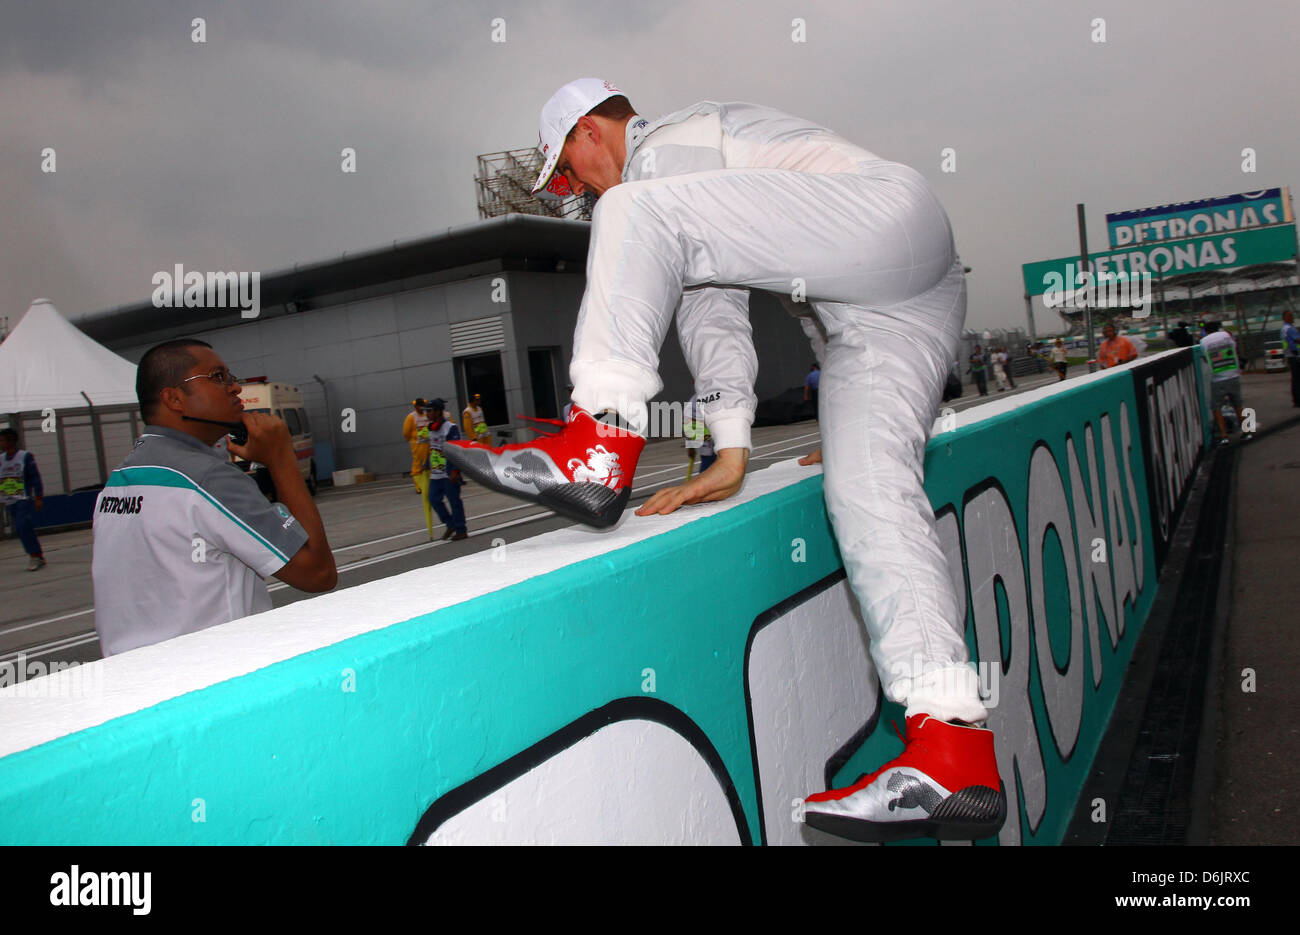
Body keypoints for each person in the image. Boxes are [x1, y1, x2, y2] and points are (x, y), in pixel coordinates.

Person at [446, 78, 1003, 842]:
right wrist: (741, 448)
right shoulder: (705, 166)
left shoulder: (665, 147)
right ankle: (952, 743)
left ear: (587, 133)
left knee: (632, 214)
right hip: (897, 302)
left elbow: (708, 303)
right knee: (867, 488)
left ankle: (597, 442)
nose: (574, 190)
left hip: (888, 226)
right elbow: (798, 277)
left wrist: (724, 440)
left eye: (568, 173)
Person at [91, 339, 337, 656]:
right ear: (174, 399)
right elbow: (318, 573)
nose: (235, 387)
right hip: (214, 680)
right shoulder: (209, 478)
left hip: (134, 683)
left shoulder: (117, 482)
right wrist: (281, 460)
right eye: (218, 377)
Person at [1199, 321, 1253, 444]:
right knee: (1238, 405)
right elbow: (1235, 347)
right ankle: (1247, 432)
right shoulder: (1226, 335)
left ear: (1206, 331)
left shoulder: (1204, 341)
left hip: (1217, 378)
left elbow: (1204, 358)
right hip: (1233, 374)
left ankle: (1224, 436)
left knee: (1216, 408)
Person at [0, 428, 46, 571]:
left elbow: (35, 478)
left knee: (21, 526)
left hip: (23, 498)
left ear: (11, 441)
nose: (0, 443)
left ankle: (35, 556)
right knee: (23, 528)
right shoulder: (1, 458)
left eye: (2, 440)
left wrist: (38, 497)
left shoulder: (25, 456)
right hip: (9, 499)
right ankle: (37, 554)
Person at [426, 398, 468, 541]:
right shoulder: (431, 429)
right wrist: (426, 464)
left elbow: (456, 450)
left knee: (454, 501)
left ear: (438, 412)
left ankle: (461, 529)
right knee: (433, 499)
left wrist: (456, 470)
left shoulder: (451, 428)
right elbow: (432, 449)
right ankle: (450, 524)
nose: (427, 414)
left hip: (449, 473)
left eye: (430, 411)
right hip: (436, 474)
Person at [403, 399, 432, 493]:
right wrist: (413, 440)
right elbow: (406, 432)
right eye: (419, 406)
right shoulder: (411, 417)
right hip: (418, 445)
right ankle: (418, 486)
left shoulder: (427, 415)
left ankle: (426, 484)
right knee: (418, 465)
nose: (421, 408)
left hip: (428, 444)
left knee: (428, 465)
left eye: (422, 406)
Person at [1281, 310, 1300, 408]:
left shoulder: (1284, 329)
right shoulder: (1290, 329)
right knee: (1297, 379)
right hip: (1295, 356)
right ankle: (1298, 400)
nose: (1292, 317)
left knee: (1295, 379)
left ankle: (1296, 400)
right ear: (1285, 318)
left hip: (1290, 356)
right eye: (1290, 316)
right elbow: (1297, 340)